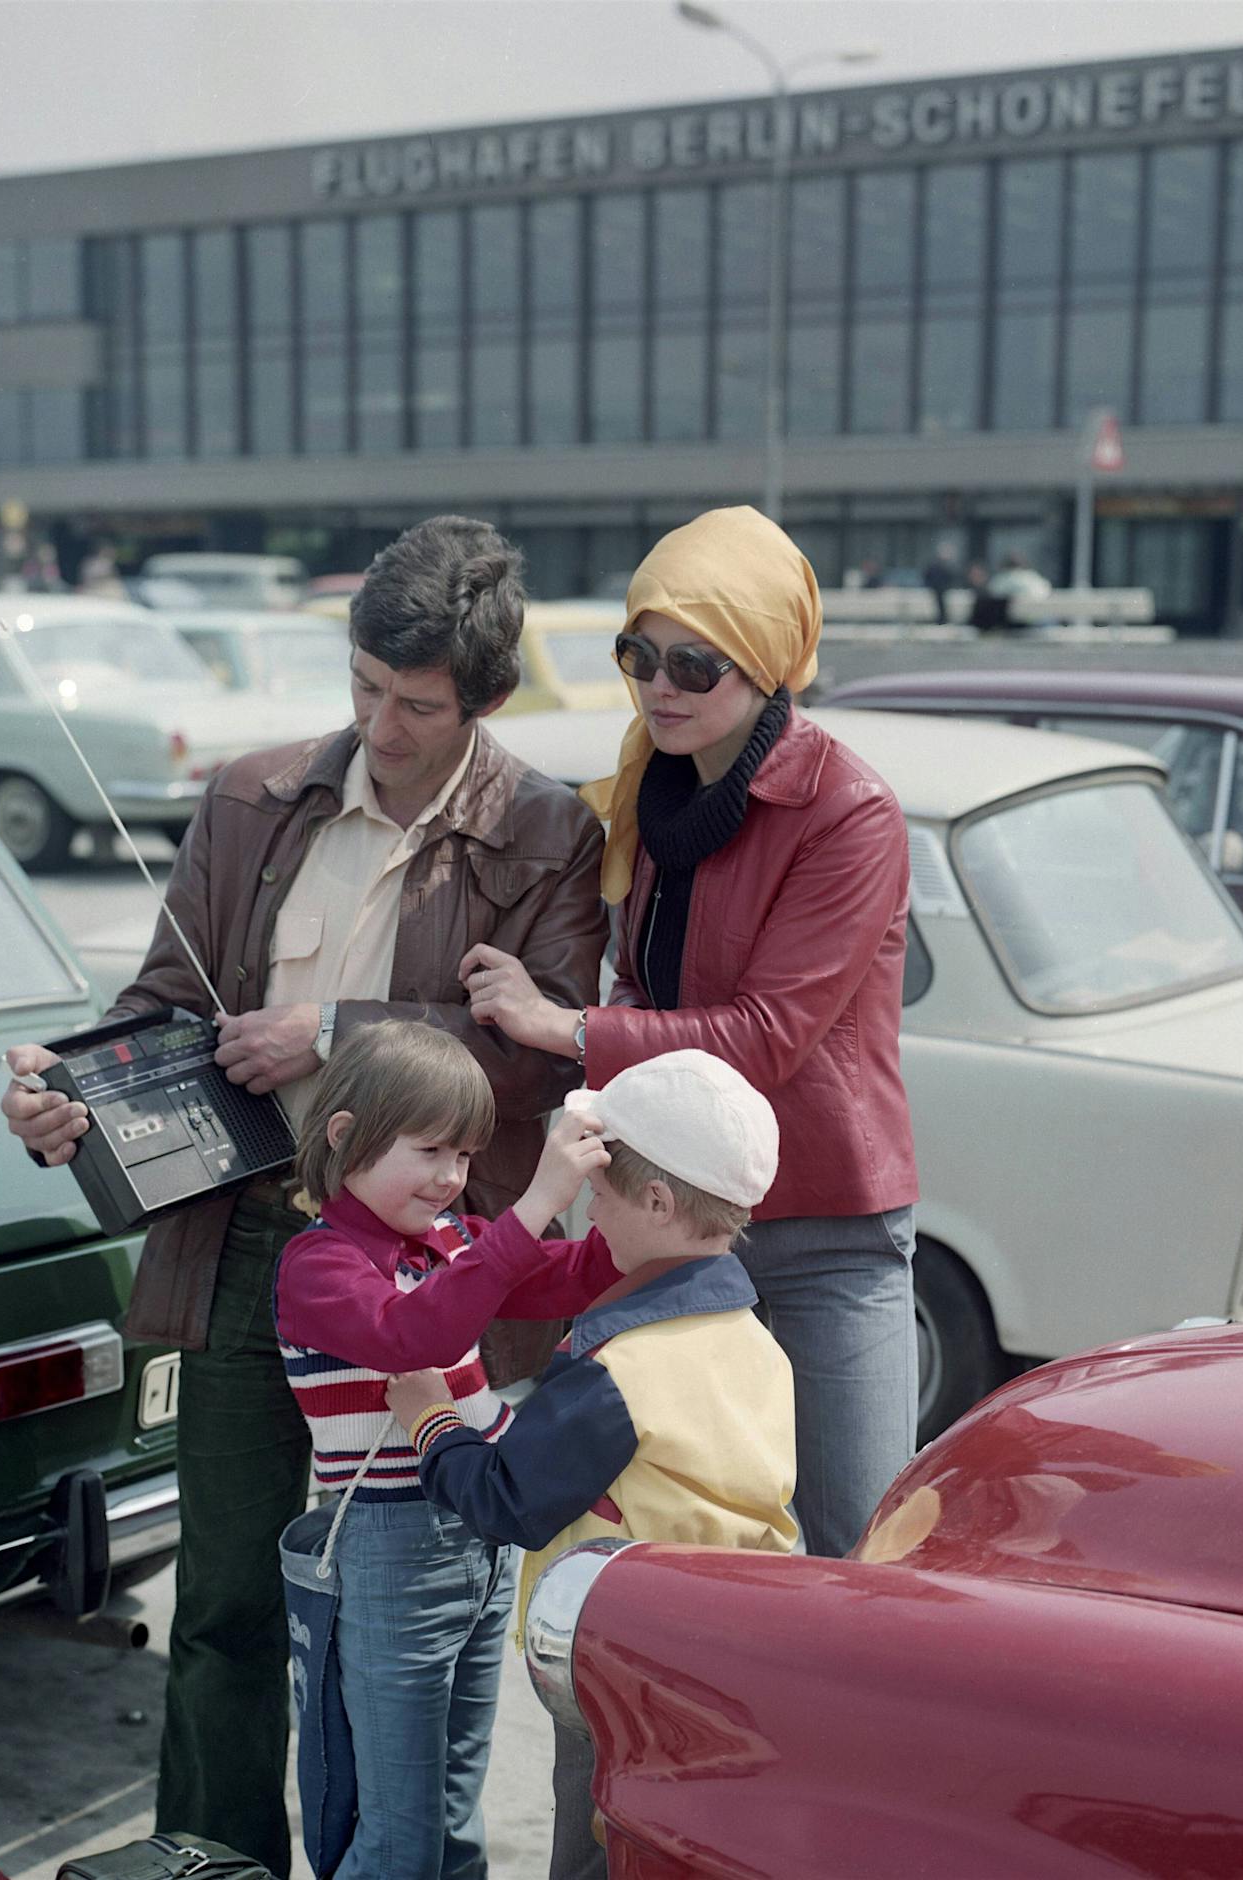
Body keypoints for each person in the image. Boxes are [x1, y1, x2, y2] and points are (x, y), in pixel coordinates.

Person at [0, 515, 607, 1877]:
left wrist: (333, 1030)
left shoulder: (550, 832)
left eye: (418, 704)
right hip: (248, 1248)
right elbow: (165, 1002)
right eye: (363, 688)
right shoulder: (251, 795)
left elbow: (535, 1048)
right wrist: (68, 1097)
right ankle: (207, 1863)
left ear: (486, 701)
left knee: (391, 1618)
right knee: (220, 1603)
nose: (382, 725)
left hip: (423, 1285)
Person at [456, 504, 919, 1561]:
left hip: (818, 1226)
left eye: (695, 663)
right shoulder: (655, 789)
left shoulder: (847, 809)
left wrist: (557, 1023)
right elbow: (651, 983)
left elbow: (764, 1036)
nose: (658, 684)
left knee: (854, 1544)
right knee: (662, 1529)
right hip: (665, 1216)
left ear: (761, 666)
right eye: (639, 653)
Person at [385, 1046, 797, 1880]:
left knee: (596, 1844)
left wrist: (430, 1417)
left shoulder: (620, 1370)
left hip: (620, 1662)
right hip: (731, 1647)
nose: (590, 1216)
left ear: (654, 1199)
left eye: (599, 1196)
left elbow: (506, 1498)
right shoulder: (756, 1341)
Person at [275, 1022, 621, 1880]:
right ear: (344, 1136)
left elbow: (569, 1276)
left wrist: (658, 1207)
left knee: (454, 1822)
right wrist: (536, 1200)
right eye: (428, 1149)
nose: (449, 1177)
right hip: (390, 1554)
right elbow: (411, 1335)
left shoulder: (457, 1242)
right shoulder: (317, 1264)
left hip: (483, 1540)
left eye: (464, 1155)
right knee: (400, 1836)